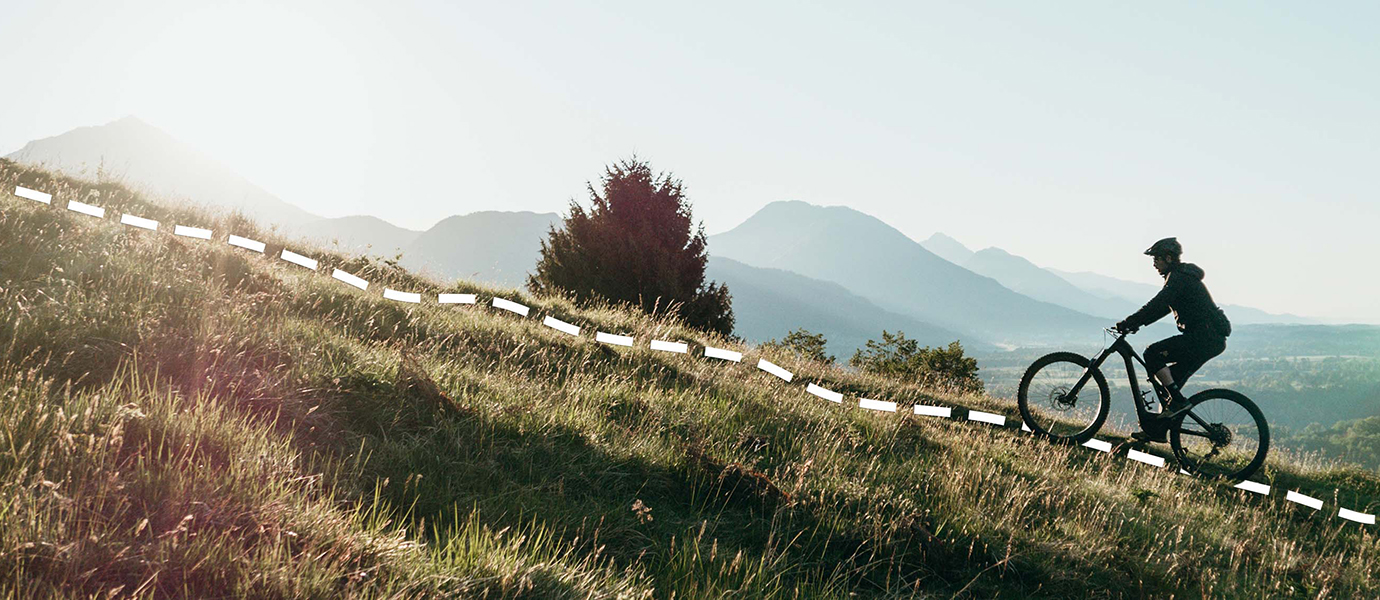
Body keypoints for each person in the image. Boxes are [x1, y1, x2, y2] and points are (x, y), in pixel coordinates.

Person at [1115, 237, 1232, 443]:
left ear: (1168, 258)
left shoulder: (1178, 277)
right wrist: (1136, 323)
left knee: (1152, 353)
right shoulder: (1182, 277)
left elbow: (1159, 303)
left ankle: (1177, 404)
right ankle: (1158, 430)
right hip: (1209, 339)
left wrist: (1129, 322)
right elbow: (1161, 309)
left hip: (1203, 338)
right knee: (1170, 385)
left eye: (1157, 258)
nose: (1154, 263)